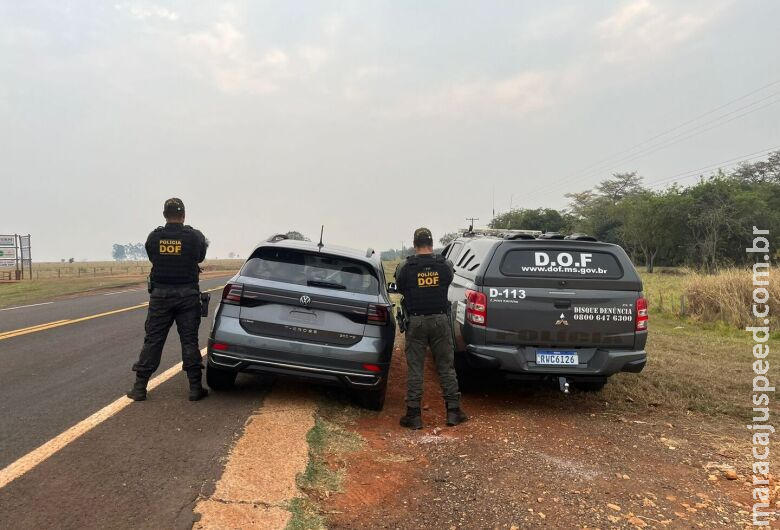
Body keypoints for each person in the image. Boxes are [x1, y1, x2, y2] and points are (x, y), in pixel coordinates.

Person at [126, 198, 209, 402]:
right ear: (183, 215)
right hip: (187, 296)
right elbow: (200, 257)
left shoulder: (154, 237)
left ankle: (139, 388)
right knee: (189, 340)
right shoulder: (194, 237)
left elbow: (153, 257)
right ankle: (195, 388)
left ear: (165, 215)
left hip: (161, 296)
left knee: (153, 340)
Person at [394, 227, 468, 429]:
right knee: (446, 366)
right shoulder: (444, 265)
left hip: (416, 322)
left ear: (415, 244)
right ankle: (453, 412)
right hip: (440, 321)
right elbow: (449, 280)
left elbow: (400, 287)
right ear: (432, 243)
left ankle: (414, 416)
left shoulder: (405, 266)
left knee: (415, 369)